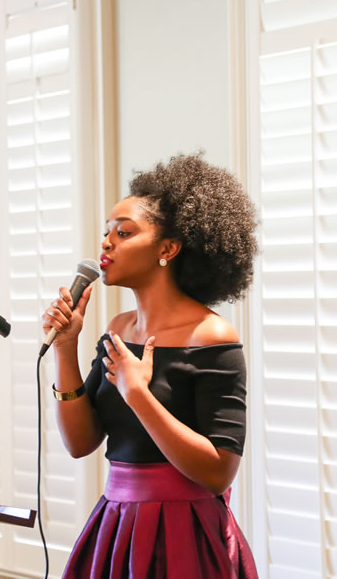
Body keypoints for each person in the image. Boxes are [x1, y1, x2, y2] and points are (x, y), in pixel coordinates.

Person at [42, 153, 259, 578]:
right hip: (117, 527)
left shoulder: (212, 337)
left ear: (168, 249)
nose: (107, 243)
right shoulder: (118, 329)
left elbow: (218, 472)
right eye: (106, 233)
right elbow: (80, 443)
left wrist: (138, 395)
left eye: (123, 232)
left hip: (186, 534)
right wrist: (65, 349)